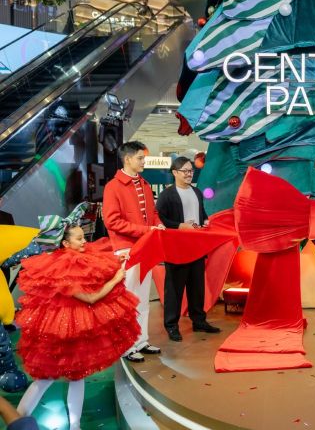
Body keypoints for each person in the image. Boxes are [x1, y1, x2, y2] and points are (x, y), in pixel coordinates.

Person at [15, 226, 140, 430]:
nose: (84, 242)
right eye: (79, 239)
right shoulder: (62, 268)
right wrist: (116, 279)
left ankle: (71, 425)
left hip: (73, 329)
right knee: (47, 378)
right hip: (61, 332)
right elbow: (91, 298)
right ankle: (19, 421)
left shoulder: (74, 258)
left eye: (84, 237)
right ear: (65, 243)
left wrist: (118, 259)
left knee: (71, 377)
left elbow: (97, 265)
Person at [103, 141, 165, 362]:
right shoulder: (113, 186)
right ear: (127, 159)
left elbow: (153, 213)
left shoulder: (145, 184)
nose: (143, 161)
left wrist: (158, 225)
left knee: (142, 298)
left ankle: (141, 340)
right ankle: (126, 345)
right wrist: (146, 230)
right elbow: (112, 221)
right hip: (126, 250)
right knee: (128, 299)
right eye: (140, 158)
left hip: (144, 248)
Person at [156, 157, 220, 341]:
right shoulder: (167, 195)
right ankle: (171, 326)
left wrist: (205, 220)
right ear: (175, 173)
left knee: (197, 287)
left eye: (191, 170)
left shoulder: (197, 192)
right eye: (185, 171)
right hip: (177, 249)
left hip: (196, 247)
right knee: (174, 289)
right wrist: (179, 226)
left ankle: (199, 321)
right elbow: (159, 218)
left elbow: (201, 212)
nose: (189, 174)